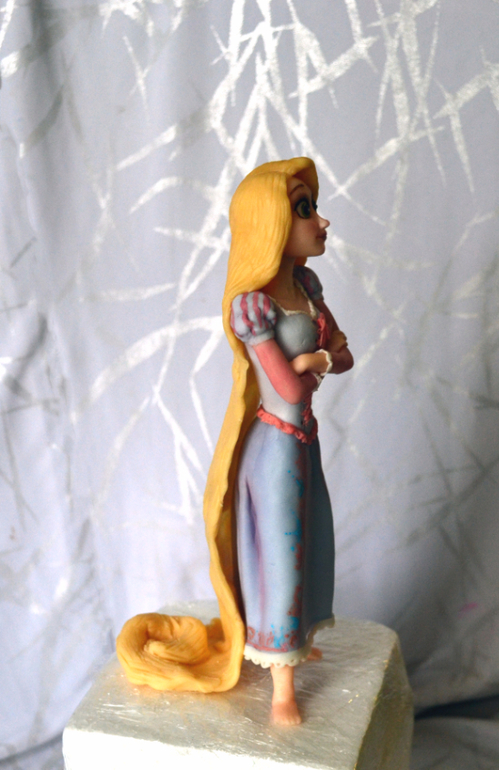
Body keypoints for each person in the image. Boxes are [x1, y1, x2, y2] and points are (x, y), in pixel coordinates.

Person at [116, 157, 353, 726]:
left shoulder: (307, 288)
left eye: (313, 206)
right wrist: (312, 363)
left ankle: (299, 640)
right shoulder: (253, 307)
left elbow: (342, 355)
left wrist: (314, 360)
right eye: (304, 208)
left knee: (312, 542)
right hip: (274, 449)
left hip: (303, 441)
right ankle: (281, 685)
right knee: (281, 557)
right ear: (271, 222)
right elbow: (288, 385)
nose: (321, 221)